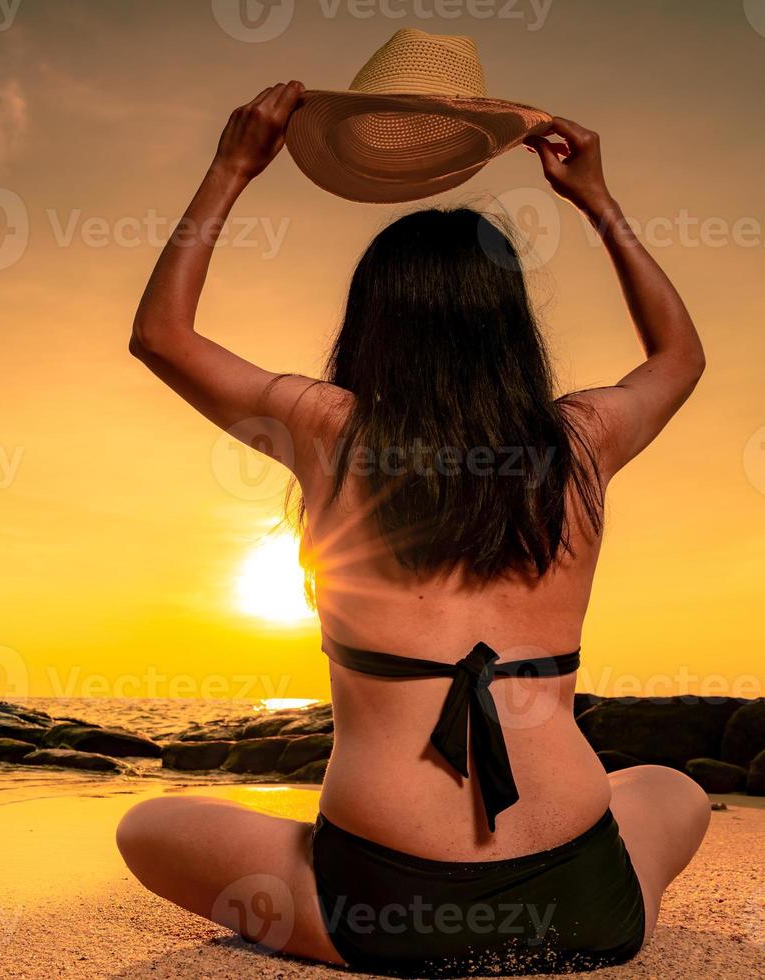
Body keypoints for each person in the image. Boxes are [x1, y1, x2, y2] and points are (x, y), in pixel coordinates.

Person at [117, 81, 710, 975]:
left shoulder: (331, 431)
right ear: (513, 328)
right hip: (588, 903)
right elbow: (680, 356)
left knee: (146, 823)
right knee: (674, 788)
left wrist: (232, 168)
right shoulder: (581, 441)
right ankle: (571, 922)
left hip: (387, 909)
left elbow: (162, 334)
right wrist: (598, 201)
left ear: (372, 327)